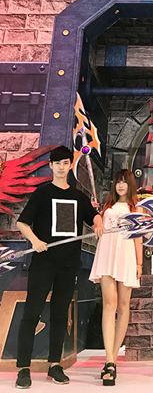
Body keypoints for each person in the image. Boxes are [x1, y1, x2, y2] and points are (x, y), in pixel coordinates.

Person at [15, 146, 104, 389]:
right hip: (43, 264)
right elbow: (22, 223)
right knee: (31, 313)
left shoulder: (78, 196)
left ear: (69, 166)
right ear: (51, 166)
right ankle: (23, 368)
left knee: (59, 315)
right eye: (58, 163)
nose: (62, 167)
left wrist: (98, 223)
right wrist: (35, 241)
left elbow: (94, 216)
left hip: (68, 265)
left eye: (66, 163)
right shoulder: (42, 193)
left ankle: (55, 365)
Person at [89, 169, 143, 386]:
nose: (121, 185)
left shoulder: (136, 208)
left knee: (123, 306)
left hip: (126, 255)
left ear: (130, 185)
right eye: (118, 182)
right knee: (109, 305)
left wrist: (139, 263)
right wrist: (96, 221)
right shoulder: (107, 207)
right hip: (107, 253)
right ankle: (109, 360)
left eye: (124, 182)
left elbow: (138, 236)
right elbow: (97, 226)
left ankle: (113, 356)